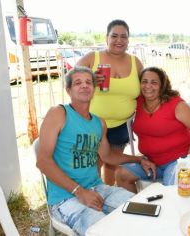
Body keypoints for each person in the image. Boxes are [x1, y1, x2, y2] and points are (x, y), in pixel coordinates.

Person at [36, 66, 156, 235]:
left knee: (145, 211)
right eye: (78, 83)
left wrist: (138, 159)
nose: (84, 86)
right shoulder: (59, 113)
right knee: (105, 231)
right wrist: (79, 191)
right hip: (65, 197)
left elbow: (107, 156)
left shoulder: (99, 123)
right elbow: (43, 162)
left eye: (88, 82)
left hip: (97, 189)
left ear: (94, 89)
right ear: (68, 90)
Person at [115, 67, 190, 193]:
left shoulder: (176, 104)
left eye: (154, 82)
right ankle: (135, 209)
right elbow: (117, 96)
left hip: (177, 161)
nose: (148, 86)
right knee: (121, 174)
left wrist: (187, 162)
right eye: (144, 82)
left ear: (162, 86)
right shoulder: (137, 102)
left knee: (171, 191)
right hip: (149, 162)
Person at [77, 19, 143, 185]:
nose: (119, 40)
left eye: (123, 36)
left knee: (112, 163)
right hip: (92, 124)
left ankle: (107, 193)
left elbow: (147, 88)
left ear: (128, 40)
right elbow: (70, 81)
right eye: (114, 36)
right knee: (93, 164)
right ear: (106, 38)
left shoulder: (135, 62)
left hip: (121, 125)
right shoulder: (93, 58)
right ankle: (92, 193)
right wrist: (90, 80)